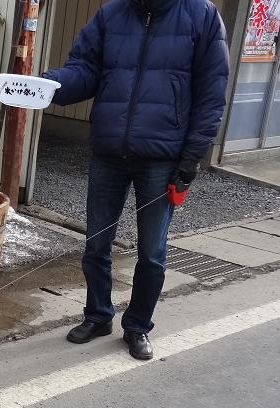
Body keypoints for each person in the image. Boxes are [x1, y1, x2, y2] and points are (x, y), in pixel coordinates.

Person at [41, 0, 229, 360]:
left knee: (152, 252)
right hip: (109, 151)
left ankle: (138, 325)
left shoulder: (201, 15)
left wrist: (191, 158)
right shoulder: (112, 13)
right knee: (96, 244)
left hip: (162, 156)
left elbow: (211, 93)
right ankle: (98, 315)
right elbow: (85, 70)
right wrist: (49, 84)